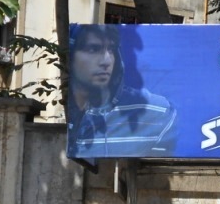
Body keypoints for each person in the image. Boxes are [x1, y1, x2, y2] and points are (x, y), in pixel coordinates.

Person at [66, 24, 178, 161]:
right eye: (93, 49)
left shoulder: (157, 113)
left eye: (111, 50)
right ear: (71, 56)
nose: (106, 61)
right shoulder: (64, 110)